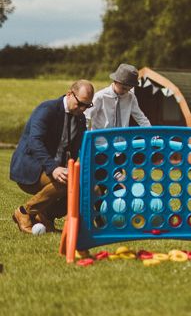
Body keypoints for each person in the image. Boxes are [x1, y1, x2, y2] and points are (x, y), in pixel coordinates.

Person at [9, 80, 95, 233]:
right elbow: (34, 142)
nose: (83, 109)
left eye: (87, 106)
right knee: (67, 182)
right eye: (80, 104)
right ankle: (24, 212)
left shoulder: (80, 118)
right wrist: (53, 168)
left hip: (57, 169)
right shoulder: (47, 109)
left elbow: (83, 148)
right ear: (69, 94)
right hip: (31, 168)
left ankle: (46, 216)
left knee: (85, 186)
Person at [85, 63, 151, 129]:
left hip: (122, 138)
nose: (125, 92)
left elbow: (141, 118)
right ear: (115, 81)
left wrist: (151, 133)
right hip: (101, 138)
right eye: (123, 88)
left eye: (129, 89)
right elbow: (87, 117)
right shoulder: (100, 97)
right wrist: (84, 136)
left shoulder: (131, 97)